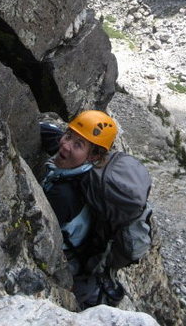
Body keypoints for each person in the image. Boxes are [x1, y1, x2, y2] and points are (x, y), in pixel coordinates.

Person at [40, 109, 123, 308]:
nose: (65, 145)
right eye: (68, 135)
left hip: (71, 264)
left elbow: (38, 233)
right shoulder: (81, 164)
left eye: (78, 144)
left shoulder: (64, 196)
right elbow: (52, 135)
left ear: (94, 156)